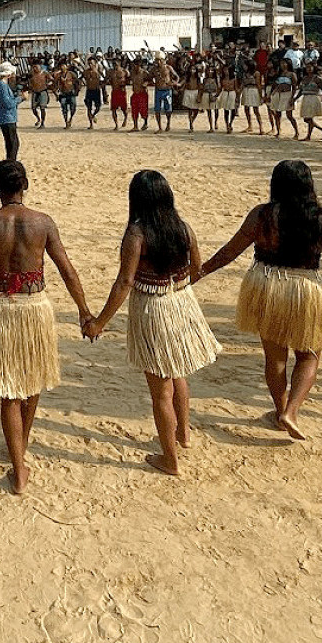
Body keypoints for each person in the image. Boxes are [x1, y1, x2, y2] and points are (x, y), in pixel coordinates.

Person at [0, 161, 95, 494]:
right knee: (34, 379)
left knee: (9, 390)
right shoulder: (43, 223)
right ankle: (20, 449)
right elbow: (68, 270)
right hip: (35, 306)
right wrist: (84, 312)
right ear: (24, 185)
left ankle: (18, 463)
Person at [201, 160, 322, 439]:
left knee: (275, 357)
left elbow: (229, 252)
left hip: (265, 283)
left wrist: (202, 271)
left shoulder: (261, 215)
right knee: (309, 354)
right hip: (306, 288)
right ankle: (292, 411)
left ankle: (280, 407)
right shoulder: (320, 219)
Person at [85, 170, 221, 475]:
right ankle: (183, 434)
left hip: (152, 307)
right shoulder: (184, 229)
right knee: (178, 373)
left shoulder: (137, 234)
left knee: (161, 390)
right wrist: (177, 283)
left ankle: (169, 459)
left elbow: (124, 282)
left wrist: (99, 322)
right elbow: (198, 268)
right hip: (181, 303)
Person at [0, 63, 21, 164]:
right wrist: (20, 98)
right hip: (7, 118)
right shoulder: (2, 85)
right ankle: (10, 164)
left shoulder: (3, 85)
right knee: (12, 144)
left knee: (12, 143)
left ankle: (10, 163)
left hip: (8, 117)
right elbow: (8, 103)